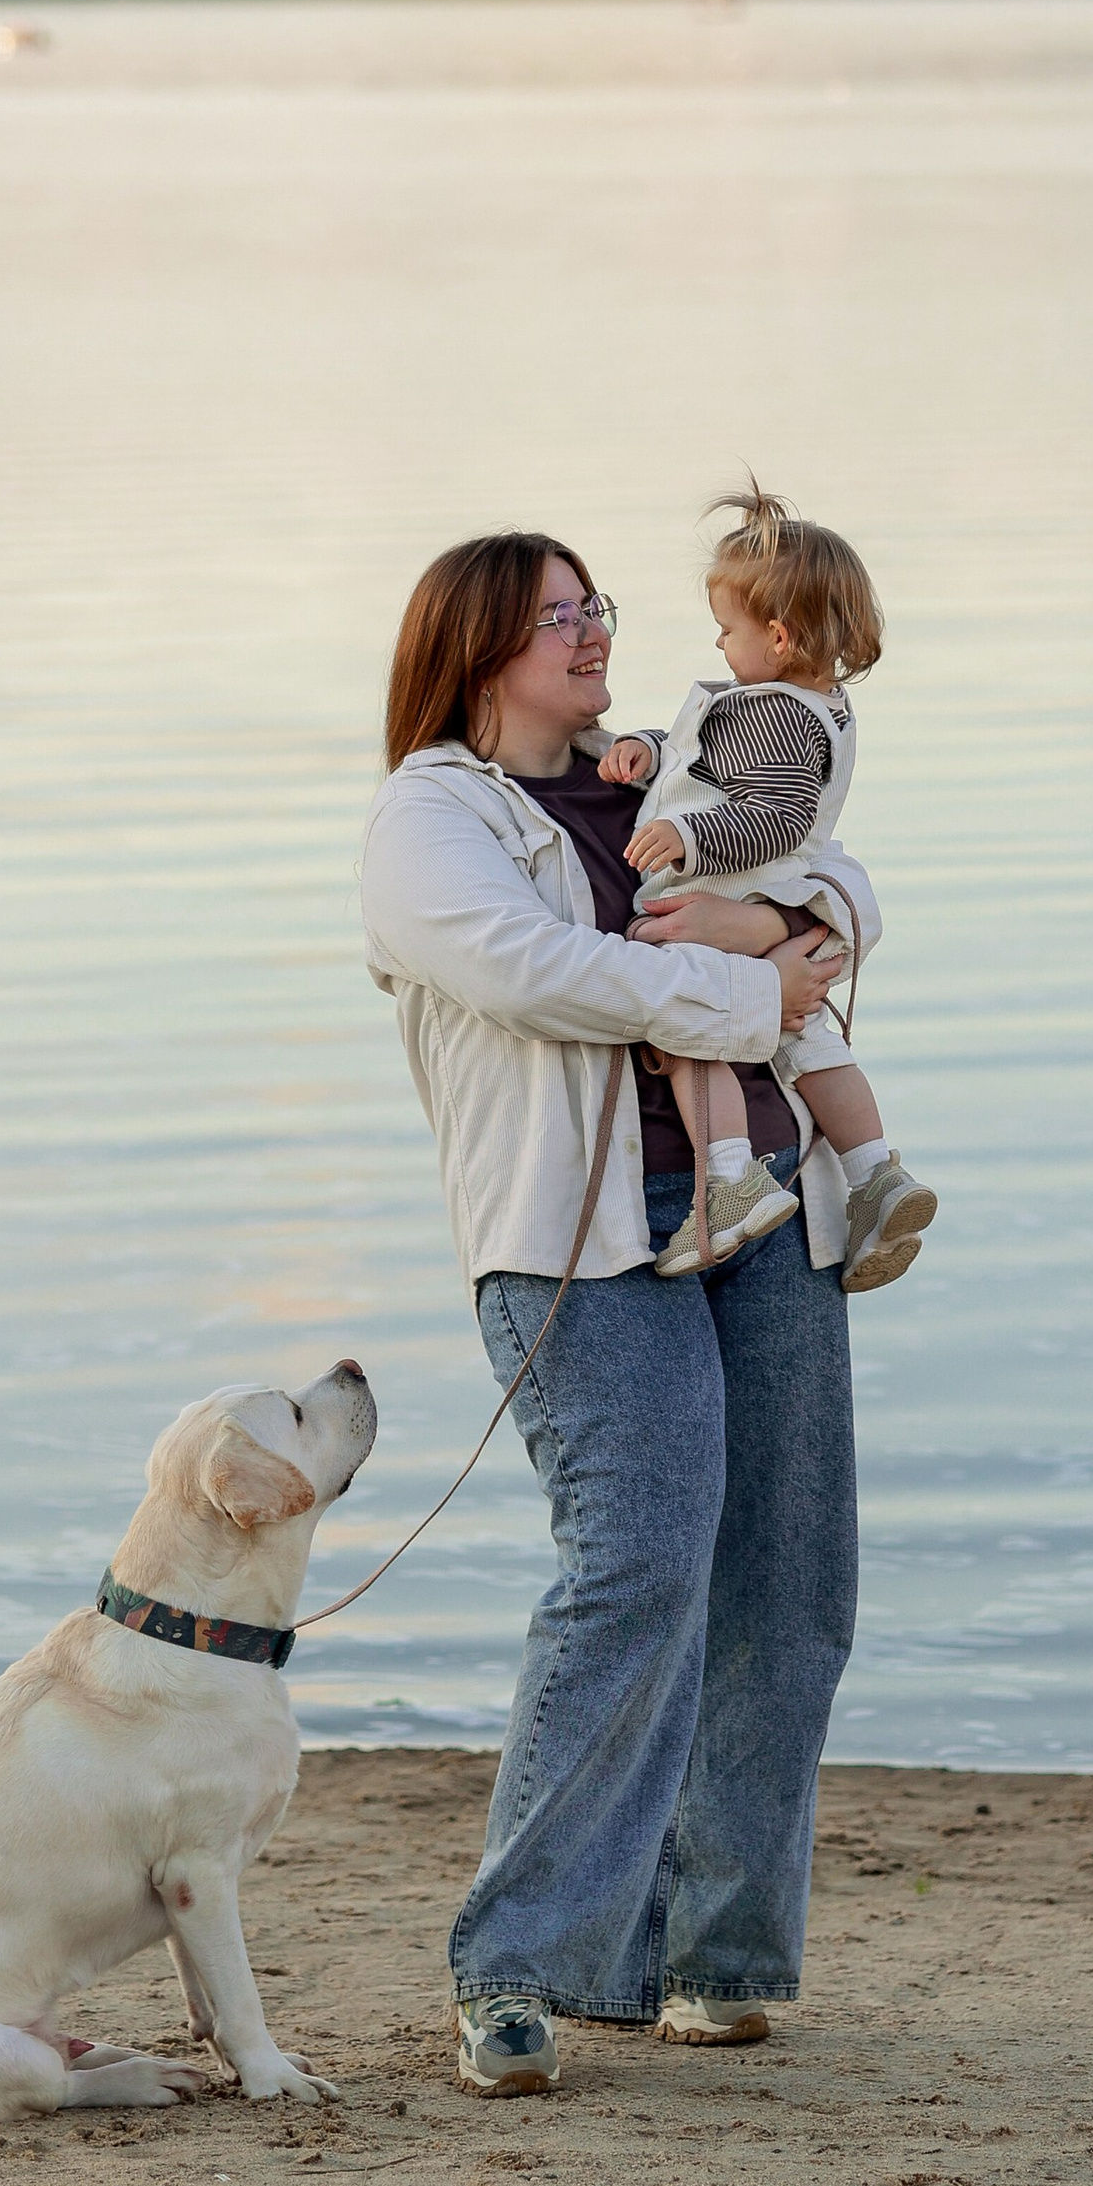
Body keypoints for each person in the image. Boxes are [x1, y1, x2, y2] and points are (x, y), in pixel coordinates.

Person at [359, 528, 877, 2097]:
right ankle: (515, 1970)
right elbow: (533, 974)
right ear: (474, 652)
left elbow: (838, 871)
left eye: (595, 610)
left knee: (787, 1581)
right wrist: (754, 984)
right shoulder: (430, 818)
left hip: (768, 1206)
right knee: (636, 1566)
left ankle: (712, 1963)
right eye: (554, 620)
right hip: (573, 1243)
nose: (590, 637)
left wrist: (788, 936)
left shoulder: (663, 771)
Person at [597, 484, 936, 1292]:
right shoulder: (820, 706)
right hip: (776, 903)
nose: (719, 646)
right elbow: (705, 763)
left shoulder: (772, 713)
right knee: (811, 1037)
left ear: (777, 637)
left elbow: (771, 812)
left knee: (686, 1019)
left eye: (727, 630)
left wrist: (687, 835)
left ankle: (728, 1179)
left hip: (722, 900)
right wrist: (648, 747)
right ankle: (875, 1171)